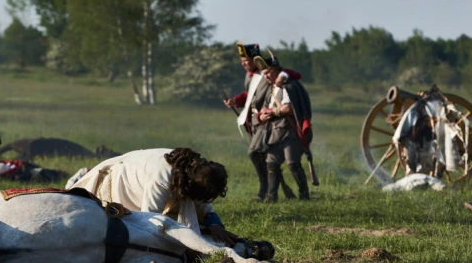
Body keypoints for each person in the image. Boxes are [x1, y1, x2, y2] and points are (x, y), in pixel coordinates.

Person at [67, 147, 239, 246]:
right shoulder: (162, 180)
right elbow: (149, 220)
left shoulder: (192, 171)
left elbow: (199, 203)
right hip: (120, 180)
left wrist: (215, 225)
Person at [223, 42, 299, 201]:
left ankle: (265, 191)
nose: (243, 63)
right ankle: (269, 192)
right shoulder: (250, 75)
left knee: (255, 153)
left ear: (254, 59)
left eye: (246, 60)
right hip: (255, 121)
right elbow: (249, 95)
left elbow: (291, 73)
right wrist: (235, 101)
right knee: (264, 158)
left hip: (267, 121)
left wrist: (282, 76)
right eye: (242, 60)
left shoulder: (267, 72)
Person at [254, 51, 313, 202]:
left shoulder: (289, 86)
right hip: (274, 132)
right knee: (271, 163)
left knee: (292, 163)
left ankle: (304, 196)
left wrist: (272, 111)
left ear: (276, 71)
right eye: (264, 73)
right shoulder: (271, 89)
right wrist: (262, 115)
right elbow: (263, 110)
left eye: (268, 72)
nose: (266, 76)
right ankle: (271, 197)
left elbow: (288, 108)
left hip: (290, 132)